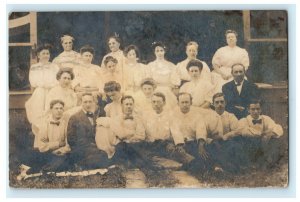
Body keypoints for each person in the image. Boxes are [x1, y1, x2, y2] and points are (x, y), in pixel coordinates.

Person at [23, 100, 70, 174]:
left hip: (61, 153)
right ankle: (46, 167)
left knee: (63, 160)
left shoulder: (66, 123)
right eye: (56, 108)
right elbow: (42, 146)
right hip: (46, 152)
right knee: (32, 154)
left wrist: (60, 150)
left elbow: (68, 143)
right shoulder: (45, 124)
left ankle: (45, 168)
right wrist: (58, 144)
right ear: (51, 110)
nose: (59, 111)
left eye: (61, 108)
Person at [67, 93, 109, 170]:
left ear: (93, 102)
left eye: (90, 102)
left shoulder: (95, 116)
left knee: (104, 154)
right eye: (85, 102)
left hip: (94, 148)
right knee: (98, 159)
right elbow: (71, 139)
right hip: (80, 150)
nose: (88, 104)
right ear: (80, 103)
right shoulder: (74, 117)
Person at [238, 100, 285, 169]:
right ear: (248, 110)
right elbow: (244, 131)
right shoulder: (244, 120)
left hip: (264, 145)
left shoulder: (265, 118)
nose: (256, 111)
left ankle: (268, 162)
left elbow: (278, 127)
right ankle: (253, 163)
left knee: (275, 140)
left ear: (261, 110)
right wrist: (262, 134)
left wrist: (270, 133)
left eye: (258, 109)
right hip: (251, 147)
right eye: (253, 109)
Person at [25, 44, 59, 125]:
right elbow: (33, 81)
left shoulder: (54, 66)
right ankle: (39, 126)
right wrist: (43, 84)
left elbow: (58, 80)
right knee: (37, 106)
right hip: (40, 91)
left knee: (52, 107)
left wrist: (51, 85)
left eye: (47, 53)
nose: (46, 55)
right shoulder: (34, 67)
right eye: (43, 53)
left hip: (52, 90)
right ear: (38, 56)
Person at [147, 41, 180, 109]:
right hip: (154, 91)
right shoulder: (150, 66)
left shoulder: (171, 65)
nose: (159, 53)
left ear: (164, 51)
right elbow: (148, 81)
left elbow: (175, 81)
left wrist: (168, 85)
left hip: (168, 91)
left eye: (161, 50)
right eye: (157, 51)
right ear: (154, 52)